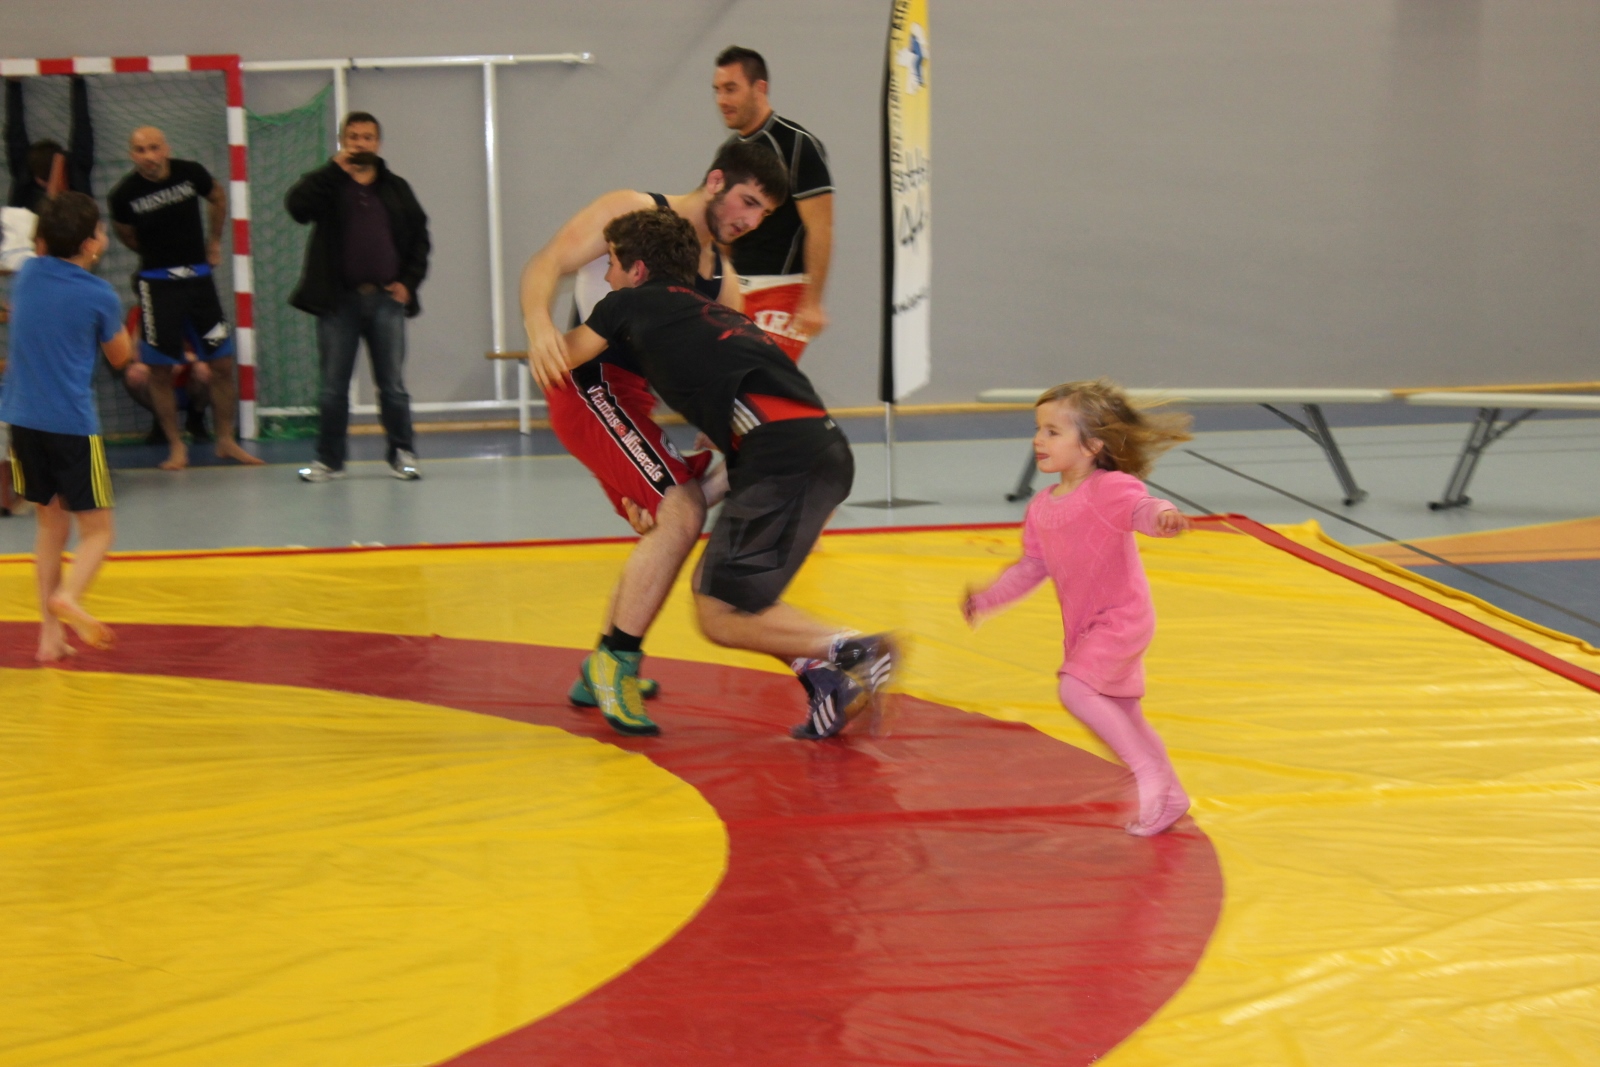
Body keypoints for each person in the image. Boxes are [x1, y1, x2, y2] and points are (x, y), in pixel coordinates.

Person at [532, 208, 896, 741]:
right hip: (825, 453)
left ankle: (852, 648)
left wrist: (537, 321)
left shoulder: (625, 303)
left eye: (609, 263)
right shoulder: (720, 315)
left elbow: (558, 361)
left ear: (637, 270)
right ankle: (827, 681)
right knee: (738, 589)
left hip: (777, 460)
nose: (604, 274)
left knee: (719, 612)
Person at [518, 141, 788, 736]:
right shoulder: (631, 209)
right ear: (715, 181)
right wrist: (539, 326)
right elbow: (547, 261)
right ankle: (616, 663)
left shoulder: (723, 280)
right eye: (747, 201)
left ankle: (601, 664)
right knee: (682, 509)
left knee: (689, 500)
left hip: (629, 401)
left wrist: (729, 440)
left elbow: (723, 373)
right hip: (586, 383)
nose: (749, 220)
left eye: (763, 214)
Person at [961, 380, 1194, 836]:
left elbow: (1142, 507)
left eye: (1052, 432)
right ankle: (1172, 797)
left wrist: (1162, 518)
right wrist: (987, 599)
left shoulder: (1109, 488)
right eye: (1038, 429)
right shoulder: (1041, 506)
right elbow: (1032, 566)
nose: (1038, 440)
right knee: (1124, 714)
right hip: (1085, 626)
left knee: (1075, 690)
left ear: (1091, 446)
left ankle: (1146, 772)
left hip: (1121, 619)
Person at [0, 192, 134, 662]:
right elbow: (121, 358)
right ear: (92, 244)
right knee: (98, 532)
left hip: (22, 419)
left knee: (49, 526)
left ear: (42, 241)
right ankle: (69, 597)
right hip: (71, 424)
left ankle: (49, 636)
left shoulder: (27, 276)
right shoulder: (99, 294)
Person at [287, 111, 430, 483]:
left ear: (377, 143)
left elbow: (420, 239)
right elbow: (296, 207)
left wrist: (408, 282)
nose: (360, 143)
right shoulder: (328, 185)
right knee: (333, 388)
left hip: (386, 302)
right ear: (343, 142)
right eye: (353, 137)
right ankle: (329, 461)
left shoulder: (396, 188)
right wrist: (332, 172)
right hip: (338, 303)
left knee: (393, 387)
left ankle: (403, 454)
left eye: (367, 137)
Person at [108, 126, 260, 471]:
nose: (148, 156)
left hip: (199, 281)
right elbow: (127, 234)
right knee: (158, 370)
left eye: (154, 148)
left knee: (221, 363)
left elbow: (218, 197)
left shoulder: (190, 173)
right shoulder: (123, 194)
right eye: (140, 150)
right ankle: (176, 446)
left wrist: (214, 242)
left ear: (166, 149)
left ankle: (225, 440)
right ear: (132, 155)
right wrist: (159, 255)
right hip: (157, 285)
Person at [713, 45, 834, 360]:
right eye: (717, 90)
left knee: (759, 381)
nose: (722, 100)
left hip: (782, 292)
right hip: (736, 290)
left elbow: (821, 228)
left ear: (759, 88)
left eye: (731, 89)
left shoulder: (797, 145)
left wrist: (813, 302)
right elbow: (720, 233)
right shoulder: (728, 152)